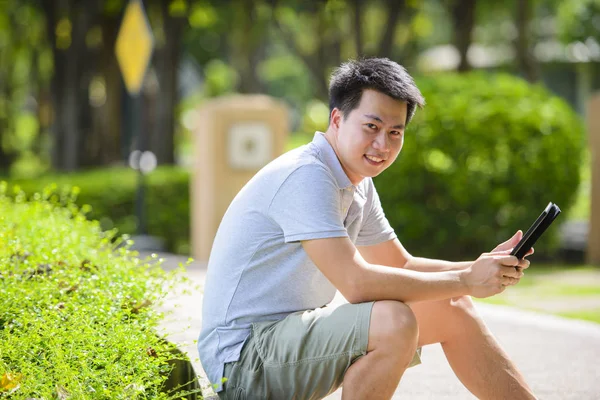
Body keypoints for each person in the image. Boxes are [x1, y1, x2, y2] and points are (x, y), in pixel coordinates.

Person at [197, 57, 536, 400]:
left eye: (395, 132)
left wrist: (480, 268)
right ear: (337, 119)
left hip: (282, 346)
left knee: (452, 306)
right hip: (241, 363)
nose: (383, 145)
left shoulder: (356, 182)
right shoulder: (307, 175)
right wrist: (465, 280)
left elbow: (399, 265)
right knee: (394, 322)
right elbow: (357, 284)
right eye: (372, 127)